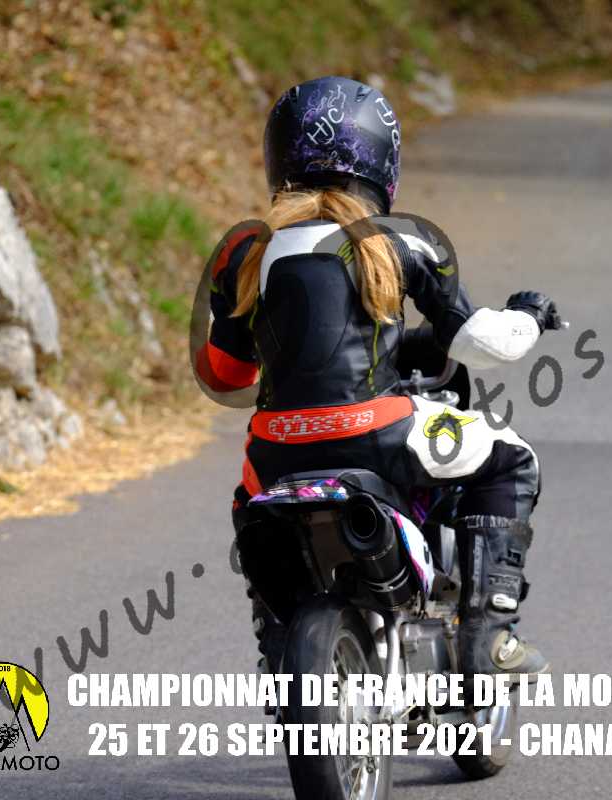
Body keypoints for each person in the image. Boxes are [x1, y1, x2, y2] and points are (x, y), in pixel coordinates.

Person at [193, 76, 557, 683]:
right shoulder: (402, 239)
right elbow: (481, 344)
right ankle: (490, 636)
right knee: (513, 457)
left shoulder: (245, 254)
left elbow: (228, 374)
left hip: (275, 452)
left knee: (252, 509)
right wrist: (530, 316)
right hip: (381, 434)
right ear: (382, 159)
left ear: (277, 158)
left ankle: (277, 644)